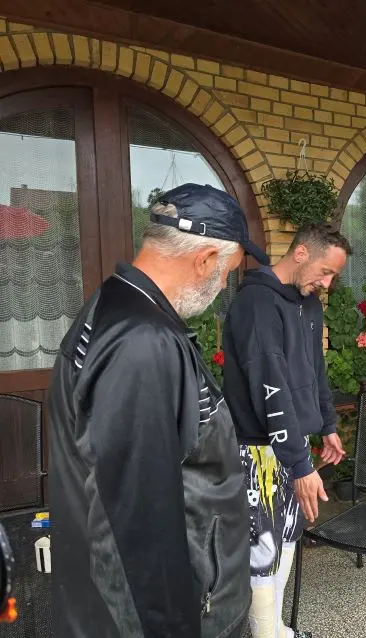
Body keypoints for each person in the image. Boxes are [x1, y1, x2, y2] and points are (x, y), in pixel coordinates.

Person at [49, 184, 266, 637]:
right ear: (205, 259)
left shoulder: (120, 305)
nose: (222, 285)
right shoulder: (141, 342)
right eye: (226, 273)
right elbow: (135, 527)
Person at [222, 223, 351, 638]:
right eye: (325, 272)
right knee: (262, 548)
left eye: (333, 277)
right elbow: (270, 386)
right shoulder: (257, 303)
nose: (327, 284)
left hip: (292, 444)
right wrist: (300, 464)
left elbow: (315, 371)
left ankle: (275, 628)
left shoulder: (308, 304)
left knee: (288, 535)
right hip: (256, 450)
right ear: (300, 254)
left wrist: (327, 425)